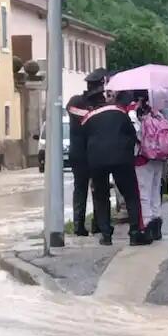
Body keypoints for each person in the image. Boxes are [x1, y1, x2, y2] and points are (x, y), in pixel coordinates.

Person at [81, 83, 151, 247]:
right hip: (122, 159)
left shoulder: (87, 118)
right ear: (104, 98)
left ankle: (106, 235)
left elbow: (84, 142)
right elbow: (132, 134)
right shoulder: (120, 112)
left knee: (101, 196)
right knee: (131, 194)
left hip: (97, 161)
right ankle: (134, 233)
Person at [66, 69, 107, 236]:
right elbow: (85, 117)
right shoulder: (76, 102)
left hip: (97, 154)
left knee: (100, 189)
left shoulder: (102, 105)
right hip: (81, 154)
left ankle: (99, 223)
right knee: (81, 189)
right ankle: (79, 225)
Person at [133, 93, 168, 240]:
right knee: (155, 191)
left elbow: (138, 137)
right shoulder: (158, 115)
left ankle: (147, 226)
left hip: (142, 158)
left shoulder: (137, 115)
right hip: (159, 158)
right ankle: (157, 225)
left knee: (143, 193)